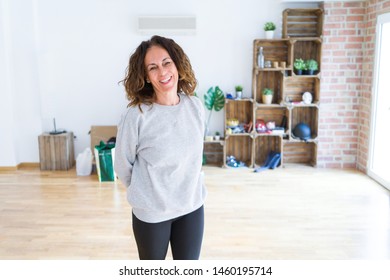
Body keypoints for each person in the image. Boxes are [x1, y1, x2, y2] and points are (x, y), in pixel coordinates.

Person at [114, 35, 206, 260]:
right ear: (146, 76)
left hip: (191, 208)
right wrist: (146, 195)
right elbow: (122, 165)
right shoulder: (136, 115)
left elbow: (194, 158)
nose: (163, 72)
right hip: (152, 214)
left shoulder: (195, 106)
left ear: (177, 64)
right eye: (153, 67)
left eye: (167, 63)